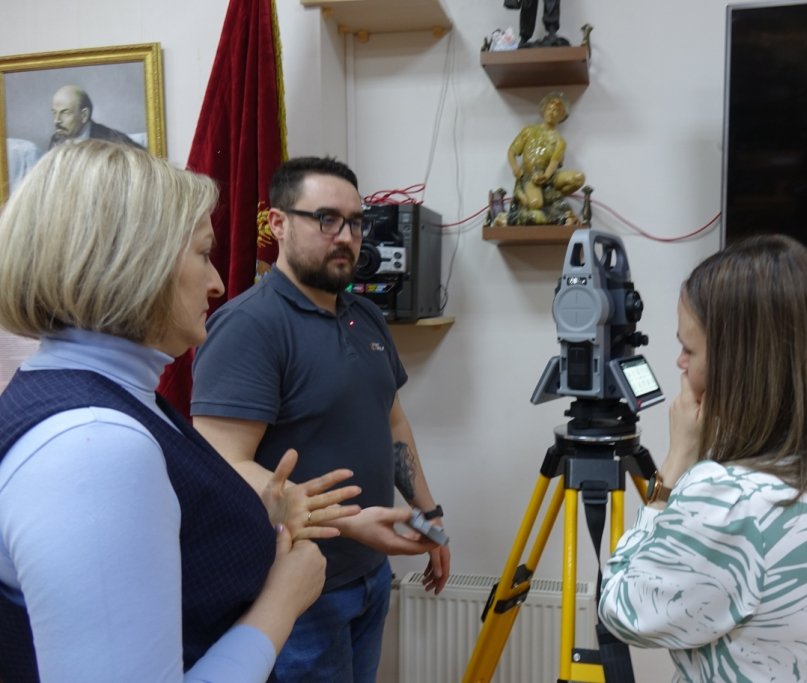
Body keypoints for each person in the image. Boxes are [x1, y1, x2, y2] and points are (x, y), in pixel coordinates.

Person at [0, 139, 361, 682]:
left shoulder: (109, 399)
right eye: (203, 254)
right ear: (134, 261)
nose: (216, 283)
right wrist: (284, 600)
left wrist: (255, 519)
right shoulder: (93, 446)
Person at [190, 156, 451, 683]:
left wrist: (429, 512)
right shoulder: (248, 326)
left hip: (369, 574)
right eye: (326, 219)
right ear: (279, 223)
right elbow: (222, 463)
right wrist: (343, 521)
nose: (346, 237)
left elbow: (393, 424)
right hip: (297, 590)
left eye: (355, 222)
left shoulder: (365, 314)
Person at [598, 234, 807, 681]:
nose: (680, 363)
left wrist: (677, 461)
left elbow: (621, 609)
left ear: (739, 363)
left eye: (689, 349)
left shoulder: (729, 501)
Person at [505, 91, 585, 225]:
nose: (552, 113)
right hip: (529, 177)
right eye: (550, 109)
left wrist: (545, 177)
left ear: (561, 116)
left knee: (578, 178)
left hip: (549, 178)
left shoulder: (560, 141)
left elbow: (553, 163)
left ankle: (551, 196)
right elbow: (511, 152)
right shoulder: (529, 131)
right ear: (544, 110)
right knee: (535, 204)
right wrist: (515, 168)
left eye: (557, 111)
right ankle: (533, 201)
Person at [49, 85, 144, 149]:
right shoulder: (57, 140)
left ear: (84, 115)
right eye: (54, 113)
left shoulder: (113, 140)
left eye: (65, 113)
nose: (56, 120)